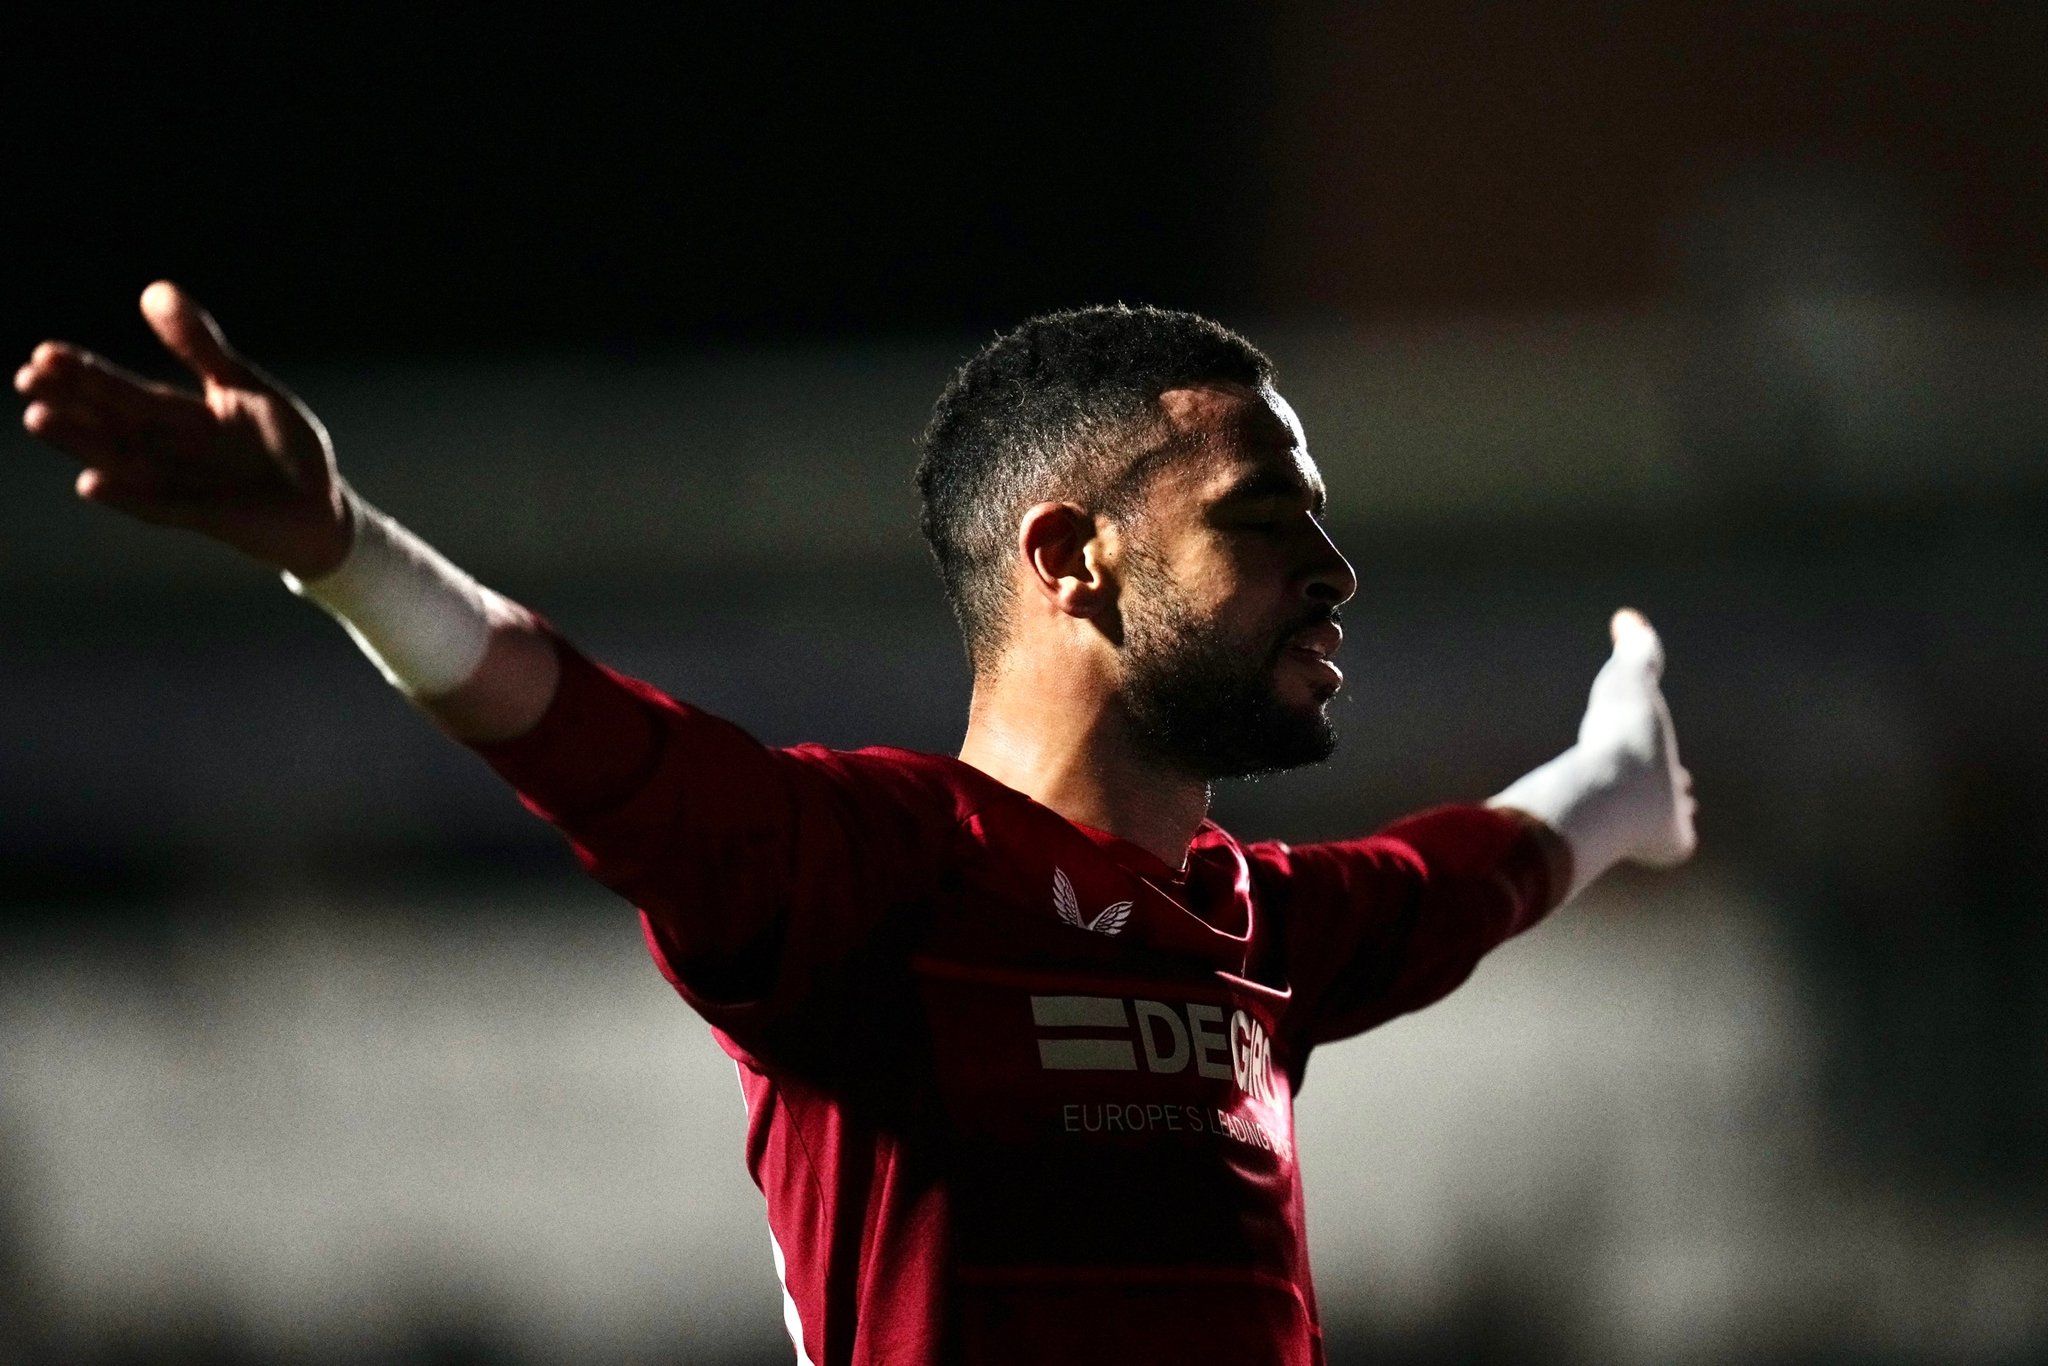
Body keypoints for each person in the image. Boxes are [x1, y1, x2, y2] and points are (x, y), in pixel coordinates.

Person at [15, 284, 1696, 1366]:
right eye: (1266, 520)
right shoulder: (871, 872)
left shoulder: (1265, 925)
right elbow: (581, 731)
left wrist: (1619, 782)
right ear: (1069, 559)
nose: (1332, 572)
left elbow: (1456, 875)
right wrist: (340, 547)